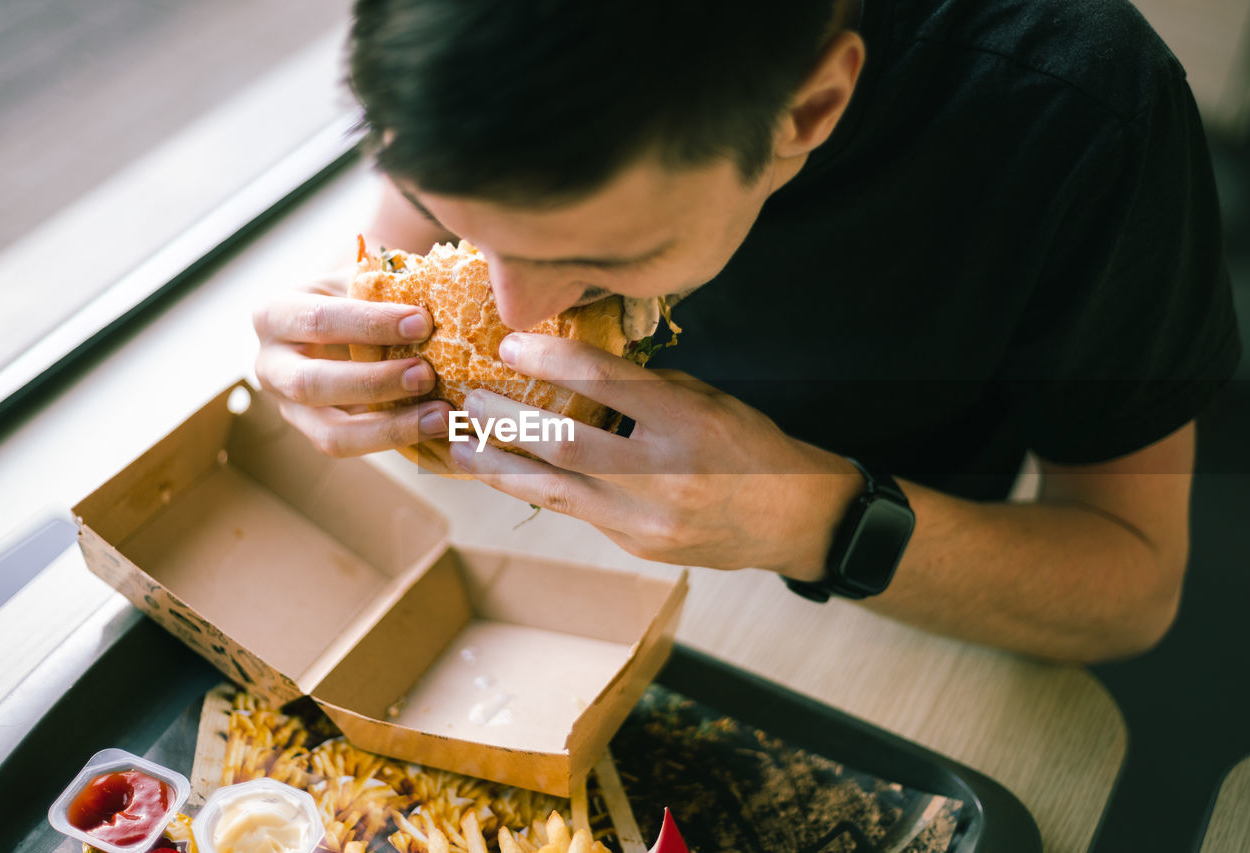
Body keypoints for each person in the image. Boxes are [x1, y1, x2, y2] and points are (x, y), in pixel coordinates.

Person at [252, 0, 1240, 662]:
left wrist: (804, 518)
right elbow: (394, 250)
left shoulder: (1081, 111)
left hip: (888, 619)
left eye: (602, 257)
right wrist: (345, 352)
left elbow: (1131, 584)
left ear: (806, 112)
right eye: (463, 222)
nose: (516, 311)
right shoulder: (466, 35)